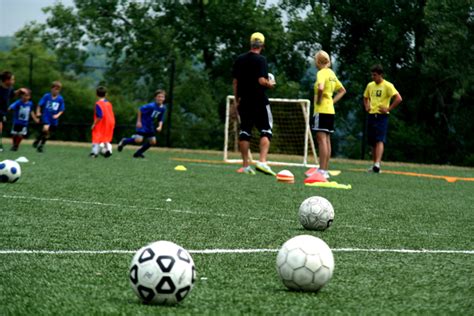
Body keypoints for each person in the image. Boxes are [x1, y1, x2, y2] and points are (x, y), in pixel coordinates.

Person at [232, 32, 276, 176]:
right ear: (262, 45)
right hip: (259, 100)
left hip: (244, 100)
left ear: (250, 43)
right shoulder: (261, 60)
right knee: (266, 130)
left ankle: (245, 166)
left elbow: (235, 82)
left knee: (245, 131)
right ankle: (262, 161)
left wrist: (236, 100)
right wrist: (270, 84)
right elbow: (261, 80)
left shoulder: (240, 59)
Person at [307, 50, 346, 179]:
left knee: (321, 140)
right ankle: (324, 169)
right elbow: (342, 90)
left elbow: (321, 87)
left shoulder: (321, 73)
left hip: (321, 110)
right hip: (330, 111)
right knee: (327, 140)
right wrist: (332, 102)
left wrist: (318, 100)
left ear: (318, 62)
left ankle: (322, 170)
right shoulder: (332, 73)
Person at [363, 64, 402, 173]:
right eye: (372, 75)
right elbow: (365, 97)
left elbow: (398, 98)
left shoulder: (388, 85)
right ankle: (374, 165)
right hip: (371, 115)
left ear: (380, 75)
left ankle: (377, 164)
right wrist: (367, 106)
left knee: (380, 139)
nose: (373, 77)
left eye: (375, 75)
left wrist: (388, 108)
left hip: (381, 116)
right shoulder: (370, 85)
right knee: (372, 141)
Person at [118, 89, 166, 158]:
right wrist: (139, 121)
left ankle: (138, 153)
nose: (160, 98)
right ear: (155, 97)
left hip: (150, 126)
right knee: (138, 140)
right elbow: (140, 109)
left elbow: (160, 118)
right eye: (159, 96)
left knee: (153, 142)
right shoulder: (151, 106)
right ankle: (124, 141)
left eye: (162, 97)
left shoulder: (163, 108)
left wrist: (160, 126)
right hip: (143, 124)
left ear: (164, 98)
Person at [33, 81, 66, 152]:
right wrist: (38, 112)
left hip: (54, 119)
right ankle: (39, 143)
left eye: (58, 89)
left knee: (47, 134)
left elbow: (62, 109)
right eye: (55, 89)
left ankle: (40, 143)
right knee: (45, 128)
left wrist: (57, 115)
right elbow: (39, 105)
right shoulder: (46, 96)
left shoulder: (60, 99)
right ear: (51, 89)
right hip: (46, 116)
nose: (56, 91)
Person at [0, 71, 26, 152]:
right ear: (6, 80)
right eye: (12, 79)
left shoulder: (10, 88)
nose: (13, 81)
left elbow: (11, 95)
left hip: (2, 112)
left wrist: (19, 91)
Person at [90, 86, 115, 158]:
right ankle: (108, 150)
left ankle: (94, 153)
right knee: (106, 137)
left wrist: (94, 124)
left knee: (96, 137)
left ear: (96, 94)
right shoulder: (109, 103)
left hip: (102, 123)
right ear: (106, 94)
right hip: (110, 122)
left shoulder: (98, 104)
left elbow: (100, 116)